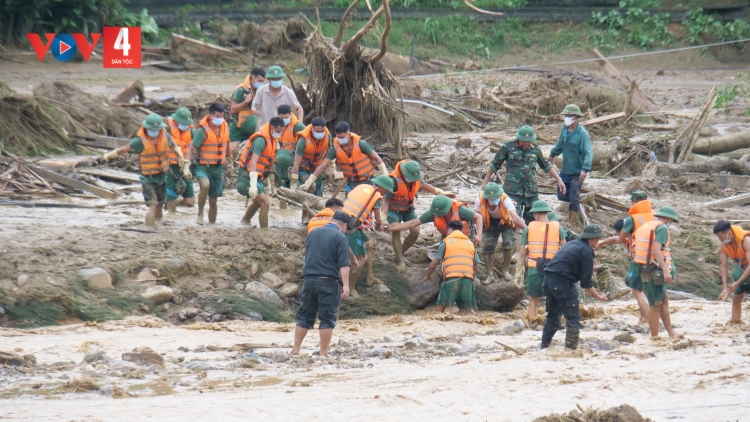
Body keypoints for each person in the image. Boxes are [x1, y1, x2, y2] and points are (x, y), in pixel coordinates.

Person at [101, 114, 191, 227]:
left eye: (157, 130)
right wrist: (109, 155)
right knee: (153, 206)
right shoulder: (139, 141)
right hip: (148, 178)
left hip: (162, 177)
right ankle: (148, 230)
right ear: (146, 128)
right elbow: (124, 149)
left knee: (160, 205)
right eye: (152, 130)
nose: (155, 132)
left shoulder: (165, 136)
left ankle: (158, 227)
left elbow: (174, 145)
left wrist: (180, 155)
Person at [290, 211, 352, 358]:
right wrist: (346, 285)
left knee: (304, 316)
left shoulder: (314, 232)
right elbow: (344, 264)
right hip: (328, 282)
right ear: (344, 225)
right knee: (327, 318)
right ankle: (323, 353)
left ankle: (295, 350)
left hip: (309, 280)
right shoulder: (340, 237)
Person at [541, 224, 610, 350]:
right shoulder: (587, 251)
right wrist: (599, 297)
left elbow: (567, 264)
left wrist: (591, 269)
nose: (598, 242)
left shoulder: (572, 244)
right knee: (573, 317)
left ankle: (544, 346)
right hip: (562, 284)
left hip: (548, 281)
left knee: (553, 316)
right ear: (593, 239)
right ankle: (571, 349)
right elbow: (586, 283)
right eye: (598, 239)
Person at [481, 125, 565, 224]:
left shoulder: (536, 149)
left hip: (531, 192)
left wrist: (559, 180)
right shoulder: (508, 147)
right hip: (513, 192)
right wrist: (485, 182)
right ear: (518, 138)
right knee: (513, 221)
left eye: (528, 141)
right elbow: (494, 165)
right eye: (523, 141)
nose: (526, 143)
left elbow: (546, 166)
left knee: (534, 222)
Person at [383, 159, 454, 272]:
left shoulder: (415, 179)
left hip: (408, 209)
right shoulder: (393, 181)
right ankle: (401, 261)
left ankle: (399, 254)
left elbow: (425, 186)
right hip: (394, 209)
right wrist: (383, 218)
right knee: (396, 231)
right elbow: (385, 201)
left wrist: (441, 192)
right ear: (405, 173)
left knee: (415, 232)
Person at [596, 190, 653, 324]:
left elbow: (620, 239)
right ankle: (645, 317)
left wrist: (601, 242)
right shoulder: (654, 216)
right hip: (656, 257)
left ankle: (648, 318)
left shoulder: (631, 219)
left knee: (636, 289)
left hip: (640, 258)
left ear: (633, 202)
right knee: (645, 289)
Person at [633, 206, 684, 339]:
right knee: (655, 304)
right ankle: (654, 337)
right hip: (655, 269)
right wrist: (666, 270)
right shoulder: (661, 228)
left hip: (645, 267)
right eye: (671, 221)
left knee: (663, 301)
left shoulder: (646, 226)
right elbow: (657, 250)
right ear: (668, 219)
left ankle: (671, 333)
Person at [342, 175, 394, 298]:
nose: (386, 193)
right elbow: (378, 219)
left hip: (346, 221)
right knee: (361, 259)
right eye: (386, 190)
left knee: (369, 245)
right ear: (381, 187)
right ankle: (351, 288)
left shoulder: (362, 187)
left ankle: (369, 277)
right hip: (351, 229)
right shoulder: (376, 197)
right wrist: (380, 227)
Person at [303, 122, 389, 194]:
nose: (340, 140)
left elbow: (378, 159)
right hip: (351, 184)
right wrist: (309, 181)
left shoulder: (361, 144)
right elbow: (322, 166)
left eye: (342, 137)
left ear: (348, 134)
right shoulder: (335, 149)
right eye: (338, 137)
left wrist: (386, 176)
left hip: (368, 181)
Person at [419, 220, 481, 314]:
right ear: (461, 231)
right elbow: (476, 267)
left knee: (439, 312)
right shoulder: (470, 244)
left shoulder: (445, 244)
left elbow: (433, 264)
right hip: (467, 281)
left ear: (449, 231)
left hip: (451, 280)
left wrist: (427, 276)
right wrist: (472, 279)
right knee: (467, 313)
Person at [548, 104, 593, 230]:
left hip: (577, 172)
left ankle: (572, 223)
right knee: (561, 195)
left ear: (576, 117)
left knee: (573, 198)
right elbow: (559, 144)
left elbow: (588, 152)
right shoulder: (564, 129)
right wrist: (552, 154)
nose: (566, 118)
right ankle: (587, 197)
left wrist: (585, 169)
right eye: (565, 115)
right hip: (565, 170)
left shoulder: (582, 134)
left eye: (569, 115)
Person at [519, 201, 567, 319]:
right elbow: (565, 250)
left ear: (535, 214)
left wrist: (519, 272)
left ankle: (532, 322)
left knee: (532, 298)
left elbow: (522, 254)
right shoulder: (558, 227)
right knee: (555, 297)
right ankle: (555, 321)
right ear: (547, 212)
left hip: (534, 267)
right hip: (553, 268)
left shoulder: (529, 228)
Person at [186, 103, 232, 225]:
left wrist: (230, 162)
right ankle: (200, 214)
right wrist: (186, 165)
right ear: (210, 116)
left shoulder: (225, 128)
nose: (220, 119)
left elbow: (227, 148)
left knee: (213, 200)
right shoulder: (203, 130)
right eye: (217, 116)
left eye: (222, 116)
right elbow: (191, 149)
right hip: (203, 166)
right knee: (205, 185)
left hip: (217, 168)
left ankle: (212, 225)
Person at [237, 117, 285, 228]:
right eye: (278, 131)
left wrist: (273, 183)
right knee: (265, 203)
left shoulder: (272, 139)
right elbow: (253, 162)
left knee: (257, 202)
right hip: (248, 174)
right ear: (272, 128)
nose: (279, 134)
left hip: (258, 175)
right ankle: (264, 231)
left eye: (281, 131)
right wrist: (253, 184)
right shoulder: (260, 140)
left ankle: (245, 221)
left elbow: (270, 161)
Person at [475, 183, 526, 284]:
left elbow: (515, 217)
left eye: (496, 197)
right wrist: (479, 233)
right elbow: (477, 216)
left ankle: (505, 270)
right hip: (490, 222)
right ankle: (490, 275)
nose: (494, 200)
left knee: (508, 244)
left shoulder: (505, 200)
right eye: (492, 198)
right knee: (487, 247)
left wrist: (527, 229)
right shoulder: (480, 200)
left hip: (506, 221)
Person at [387, 196, 483, 246]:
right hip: (448, 237)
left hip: (466, 236)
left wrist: (478, 235)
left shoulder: (460, 210)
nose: (438, 215)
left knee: (469, 255)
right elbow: (413, 223)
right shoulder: (434, 213)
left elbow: (478, 217)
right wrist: (394, 228)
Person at [715, 220, 750, 323]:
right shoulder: (724, 245)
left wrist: (737, 283)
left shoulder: (746, 241)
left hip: (746, 272)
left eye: (721, 237)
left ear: (729, 233)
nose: (720, 240)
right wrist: (725, 287)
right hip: (743, 273)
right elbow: (724, 266)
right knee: (736, 299)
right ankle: (735, 323)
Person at [252, 65, 303, 131]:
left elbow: (299, 108)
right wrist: (253, 109)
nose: (276, 81)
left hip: (283, 130)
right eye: (274, 79)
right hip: (265, 129)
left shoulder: (288, 92)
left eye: (279, 79)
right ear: (269, 79)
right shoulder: (261, 91)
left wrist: (300, 123)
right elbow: (255, 105)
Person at [273, 105, 306, 206]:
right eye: (281, 118)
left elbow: (305, 143)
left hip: (291, 157)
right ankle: (283, 207)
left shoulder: (298, 126)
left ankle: (297, 199)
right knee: (280, 184)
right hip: (277, 158)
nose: (284, 120)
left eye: (286, 118)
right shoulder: (273, 125)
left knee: (292, 182)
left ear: (291, 114)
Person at [291, 117, 331, 198]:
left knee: (318, 189)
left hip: (317, 168)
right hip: (303, 169)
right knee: (309, 185)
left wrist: (332, 168)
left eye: (322, 131)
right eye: (317, 131)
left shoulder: (328, 137)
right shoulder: (303, 140)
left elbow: (331, 153)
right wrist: (294, 181)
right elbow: (296, 163)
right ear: (312, 129)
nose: (320, 134)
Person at [165, 108, 196, 213]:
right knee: (171, 209)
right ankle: (170, 203)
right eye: (183, 123)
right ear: (176, 121)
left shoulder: (192, 131)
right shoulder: (167, 129)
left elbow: (197, 145)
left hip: (184, 168)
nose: (185, 126)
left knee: (190, 203)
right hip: (170, 168)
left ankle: (170, 202)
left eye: (187, 123)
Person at [229, 67, 265, 155]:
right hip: (238, 125)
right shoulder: (241, 90)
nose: (261, 83)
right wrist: (246, 102)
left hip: (252, 125)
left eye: (262, 81)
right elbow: (232, 110)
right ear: (253, 78)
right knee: (231, 153)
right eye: (259, 81)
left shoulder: (260, 91)